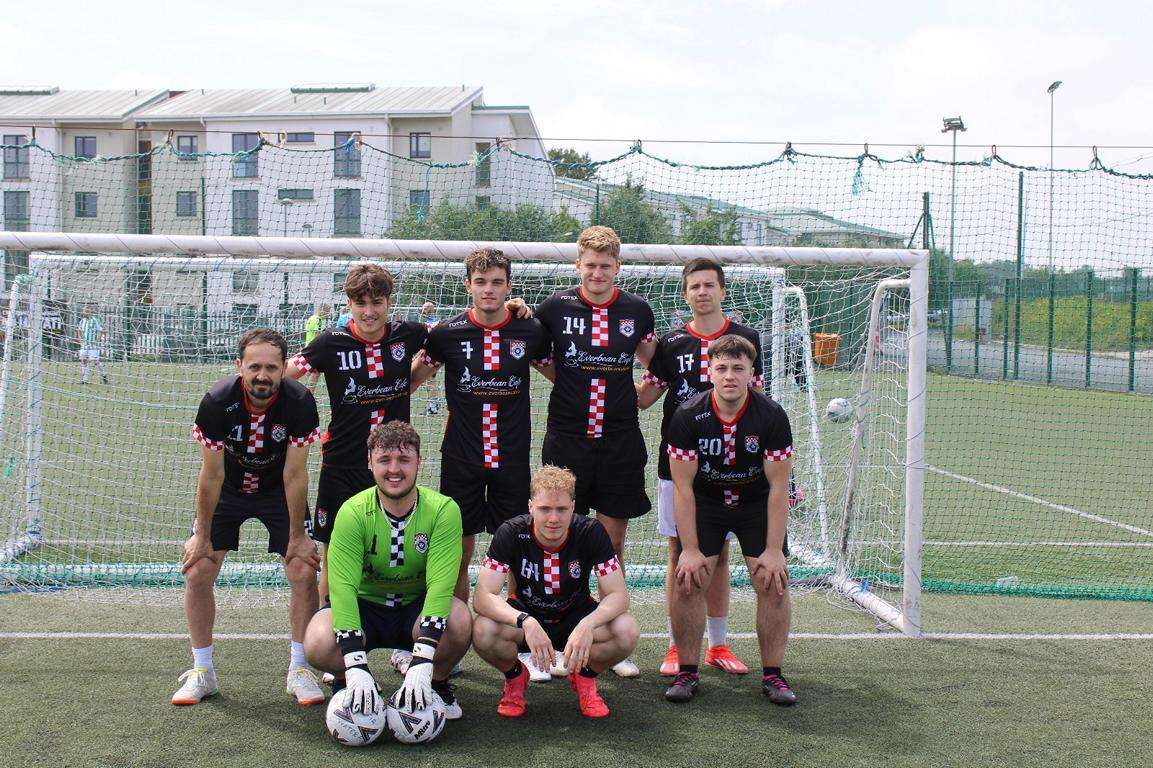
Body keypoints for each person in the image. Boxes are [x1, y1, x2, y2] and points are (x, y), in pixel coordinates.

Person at [173, 328, 323, 706]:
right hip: (229, 490)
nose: (262, 375)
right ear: (239, 366)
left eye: (271, 368)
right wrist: (201, 534)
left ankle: (300, 668)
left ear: (283, 368)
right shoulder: (217, 401)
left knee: (303, 569)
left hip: (277, 490)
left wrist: (298, 537)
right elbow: (211, 475)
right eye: (254, 367)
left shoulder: (300, 402)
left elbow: (295, 474)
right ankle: (202, 670)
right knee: (198, 569)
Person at [533, 225, 656, 678]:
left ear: (617, 267)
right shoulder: (555, 308)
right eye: (590, 265)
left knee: (611, 542)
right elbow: (536, 353)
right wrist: (570, 383)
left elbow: (657, 365)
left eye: (605, 266)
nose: (597, 273)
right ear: (578, 265)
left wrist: (641, 398)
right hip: (567, 440)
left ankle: (608, 638)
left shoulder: (636, 310)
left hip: (619, 442)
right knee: (554, 537)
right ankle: (544, 642)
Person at [637, 258, 764, 677]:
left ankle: (718, 644)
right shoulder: (672, 344)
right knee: (679, 553)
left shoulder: (746, 338)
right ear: (685, 294)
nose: (702, 292)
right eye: (695, 286)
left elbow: (758, 401)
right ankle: (677, 645)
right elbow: (645, 398)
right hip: (680, 465)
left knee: (720, 554)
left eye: (709, 285)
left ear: (723, 291)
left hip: (731, 466)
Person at [303, 420, 471, 720]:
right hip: (366, 608)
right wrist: (355, 663)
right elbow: (342, 589)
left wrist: (423, 659)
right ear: (370, 463)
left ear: (419, 462)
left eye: (404, 459)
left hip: (415, 608)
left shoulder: (443, 510)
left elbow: (441, 586)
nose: (394, 469)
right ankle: (348, 681)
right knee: (318, 640)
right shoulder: (352, 512)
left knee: (459, 620)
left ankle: (436, 683)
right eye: (384, 460)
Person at [663, 334, 797, 706]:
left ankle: (773, 675)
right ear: (710, 371)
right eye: (721, 368)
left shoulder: (771, 415)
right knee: (689, 577)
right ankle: (687, 672)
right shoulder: (688, 415)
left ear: (752, 373)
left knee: (773, 579)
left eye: (738, 368)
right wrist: (690, 549)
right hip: (707, 502)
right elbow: (682, 488)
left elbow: (778, 488)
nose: (729, 376)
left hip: (755, 503)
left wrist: (774, 550)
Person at [286, 264, 428, 602]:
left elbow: (456, 332)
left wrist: (513, 307)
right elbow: (285, 375)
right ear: (349, 304)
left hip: (393, 464)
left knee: (395, 549)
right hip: (343, 463)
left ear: (389, 302)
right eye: (360, 303)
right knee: (336, 551)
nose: (369, 312)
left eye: (377, 302)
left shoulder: (408, 334)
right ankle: (330, 622)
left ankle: (392, 622)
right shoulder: (329, 343)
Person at [472, 466, 639, 718]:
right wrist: (525, 621)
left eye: (561, 509)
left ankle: (585, 677)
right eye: (544, 509)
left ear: (573, 507)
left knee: (626, 630)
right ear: (530, 507)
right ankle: (515, 677)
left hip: (575, 616)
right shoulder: (511, 532)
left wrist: (587, 625)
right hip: (527, 617)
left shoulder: (591, 531)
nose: (553, 518)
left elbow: (619, 596)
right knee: (483, 630)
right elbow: (483, 596)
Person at [418, 301, 443, 415]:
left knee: (429, 380)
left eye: (425, 308)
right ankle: (435, 404)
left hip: (432, 356)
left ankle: (434, 406)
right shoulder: (431, 321)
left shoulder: (431, 323)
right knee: (428, 380)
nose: (423, 310)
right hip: (433, 354)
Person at [77, 305, 109, 384]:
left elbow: (101, 330)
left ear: (91, 312)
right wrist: (80, 339)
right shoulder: (82, 321)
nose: (86, 313)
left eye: (88, 311)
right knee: (84, 361)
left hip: (92, 345)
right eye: (85, 311)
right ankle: (85, 380)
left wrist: (97, 340)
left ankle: (104, 374)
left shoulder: (95, 320)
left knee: (95, 361)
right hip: (84, 345)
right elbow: (79, 330)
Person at [303, 304, 331, 390]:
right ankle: (309, 393)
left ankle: (306, 390)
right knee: (315, 373)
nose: (328, 315)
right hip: (315, 349)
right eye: (327, 312)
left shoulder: (311, 318)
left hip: (308, 346)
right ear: (322, 311)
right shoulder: (318, 320)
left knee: (310, 372)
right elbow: (317, 336)